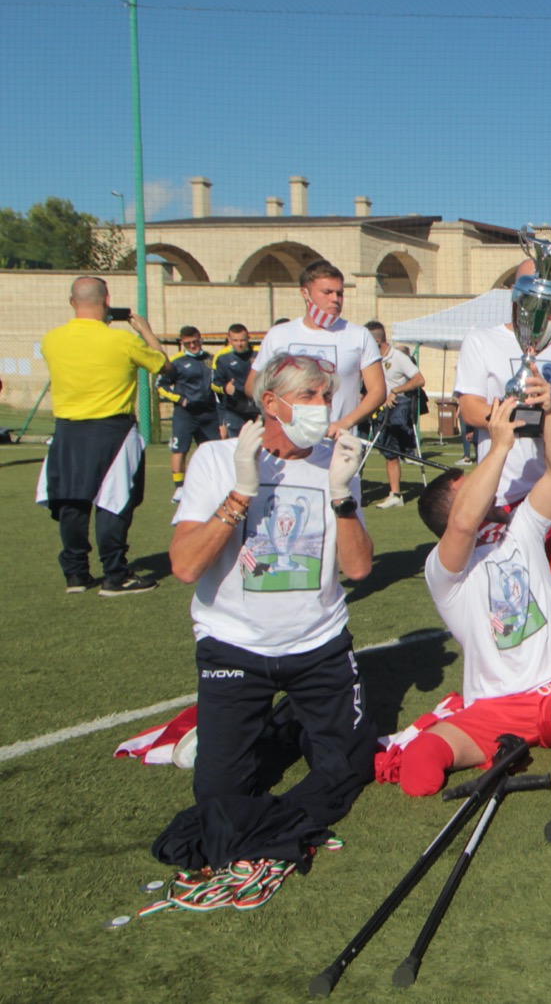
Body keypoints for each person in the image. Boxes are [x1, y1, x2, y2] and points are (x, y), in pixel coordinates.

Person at [167, 353, 374, 832]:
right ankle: (261, 727)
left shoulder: (335, 463)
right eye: (308, 396)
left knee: (349, 768)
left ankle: (283, 734)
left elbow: (359, 568)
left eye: (326, 396)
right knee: (220, 794)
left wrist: (342, 496)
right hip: (235, 644)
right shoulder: (218, 459)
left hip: (318, 644)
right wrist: (241, 492)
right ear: (270, 401)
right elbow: (184, 566)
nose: (321, 407)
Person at [408, 385, 551, 843]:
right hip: (493, 704)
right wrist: (499, 444)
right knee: (419, 769)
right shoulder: (443, 569)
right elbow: (465, 522)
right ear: (452, 505)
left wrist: (546, 413)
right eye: (471, 479)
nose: (489, 477)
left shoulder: (519, 527)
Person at [451, 258, 551, 545]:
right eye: (532, 289)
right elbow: (470, 410)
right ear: (514, 292)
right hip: (503, 489)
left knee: (542, 583)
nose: (541, 299)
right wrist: (545, 421)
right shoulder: (481, 340)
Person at [38, 276, 169, 595]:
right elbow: (165, 367)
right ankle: (115, 575)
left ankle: (76, 574)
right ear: (107, 300)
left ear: (73, 302)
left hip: (67, 430)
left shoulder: (51, 340)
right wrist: (146, 332)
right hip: (112, 430)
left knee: (71, 500)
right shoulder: (123, 341)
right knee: (114, 501)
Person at [248, 260, 385, 434]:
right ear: (305, 293)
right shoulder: (279, 334)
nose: (335, 299)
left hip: (337, 443)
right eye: (327, 292)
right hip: (287, 443)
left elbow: (378, 390)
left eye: (339, 293)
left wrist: (344, 424)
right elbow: (252, 385)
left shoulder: (359, 335)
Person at [363, 321, 428, 510]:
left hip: (393, 411)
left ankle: (396, 493)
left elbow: (419, 379)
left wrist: (396, 391)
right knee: (376, 452)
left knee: (391, 451)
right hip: (373, 410)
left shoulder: (398, 357)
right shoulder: (370, 359)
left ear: (376, 340)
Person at [159, 326, 222, 503]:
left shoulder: (211, 359)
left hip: (209, 413)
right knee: (180, 450)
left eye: (195, 342)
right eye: (188, 343)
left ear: (200, 339)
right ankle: (179, 488)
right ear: (182, 343)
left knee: (213, 450)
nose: (193, 346)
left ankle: (212, 485)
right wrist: (180, 399)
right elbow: (161, 386)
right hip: (185, 414)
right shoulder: (176, 362)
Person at [212, 323, 258, 438]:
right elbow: (214, 384)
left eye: (242, 340)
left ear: (248, 338)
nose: (239, 344)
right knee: (235, 445)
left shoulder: (259, 353)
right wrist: (225, 388)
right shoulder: (221, 357)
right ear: (229, 339)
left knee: (258, 443)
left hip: (257, 407)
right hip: (235, 409)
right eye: (235, 340)